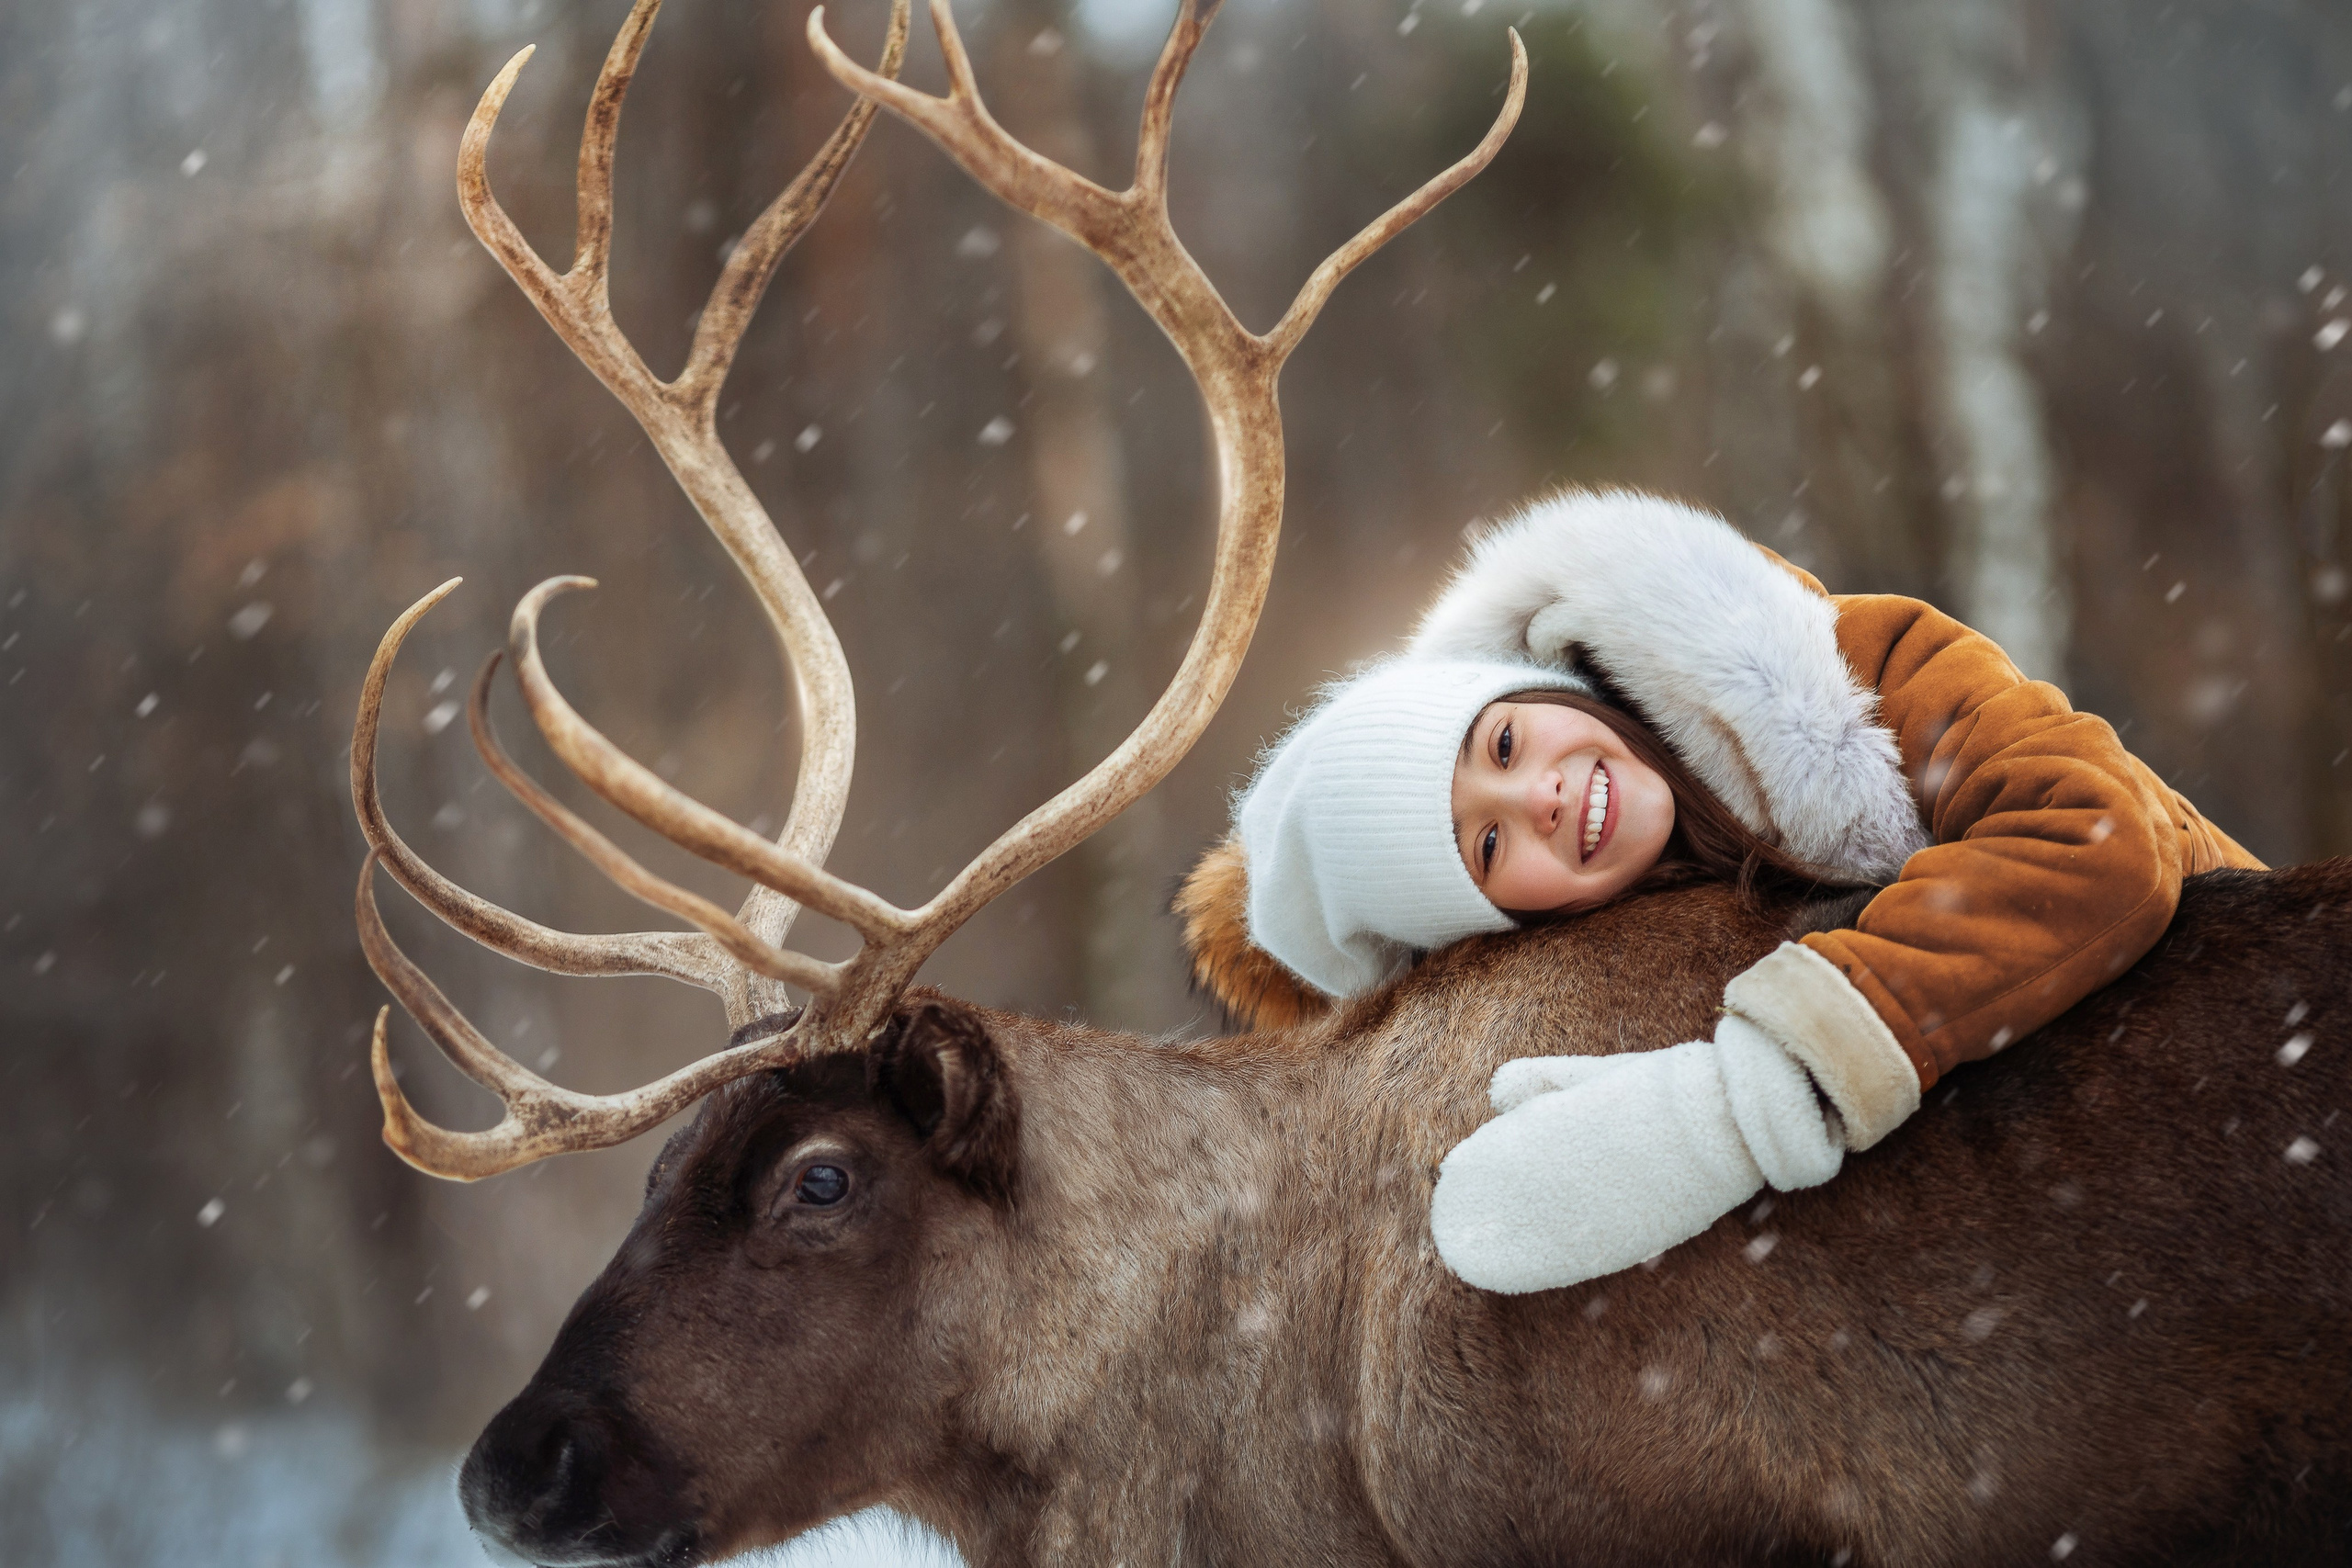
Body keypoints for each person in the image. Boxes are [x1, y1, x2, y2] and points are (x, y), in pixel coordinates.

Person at [1175, 490, 2263, 1293]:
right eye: (1488, 845)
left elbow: (2102, 840)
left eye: (1503, 742)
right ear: (1510, 922)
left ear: (1538, 688)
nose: (1538, 796)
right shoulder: (1633, 960)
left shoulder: (1851, 668)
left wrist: (1750, 1094)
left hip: (2263, 1066)